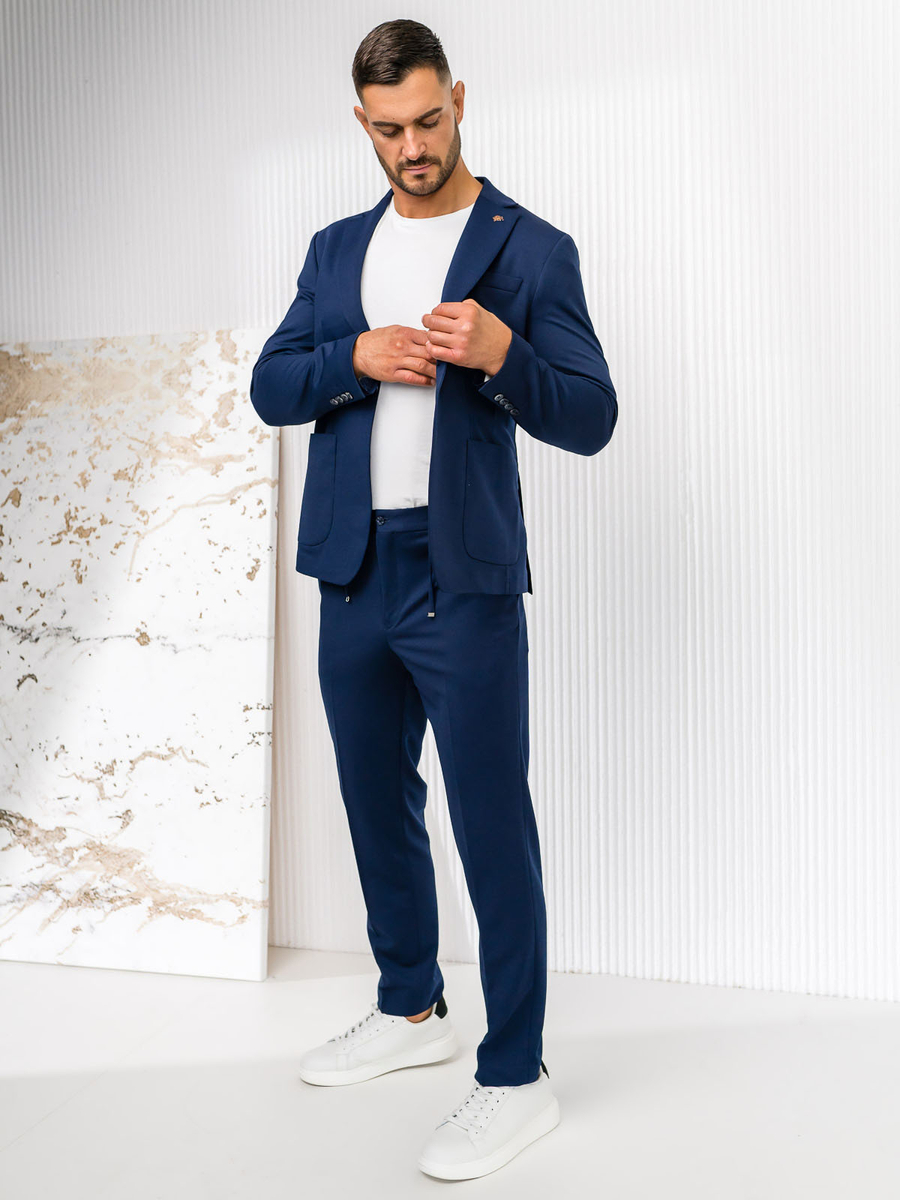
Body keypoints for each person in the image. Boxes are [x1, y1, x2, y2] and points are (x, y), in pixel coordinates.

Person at [249, 18, 617, 1182]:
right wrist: (351, 359)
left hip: (463, 577)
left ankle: (515, 1076)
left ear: (459, 101)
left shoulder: (531, 250)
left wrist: (505, 353)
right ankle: (411, 1007)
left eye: (427, 120)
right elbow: (270, 385)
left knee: (491, 822)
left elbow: (593, 416)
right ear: (362, 124)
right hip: (354, 567)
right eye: (388, 130)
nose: (412, 147)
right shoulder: (333, 253)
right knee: (374, 802)